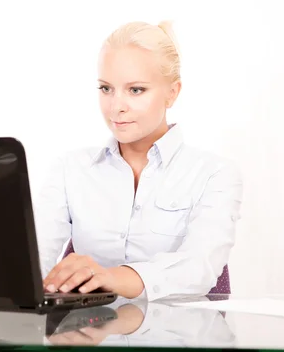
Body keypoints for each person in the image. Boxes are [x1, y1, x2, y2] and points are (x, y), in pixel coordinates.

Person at [33, 20, 243, 301]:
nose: (116, 106)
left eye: (135, 90)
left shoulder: (214, 174)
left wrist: (110, 277)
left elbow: (199, 269)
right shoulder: (68, 170)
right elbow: (34, 259)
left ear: (172, 92)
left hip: (179, 339)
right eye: (106, 88)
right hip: (91, 338)